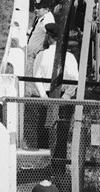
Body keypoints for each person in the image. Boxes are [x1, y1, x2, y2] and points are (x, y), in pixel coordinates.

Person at [32, 23, 78, 169]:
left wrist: (43, 97)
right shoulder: (69, 57)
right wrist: (67, 96)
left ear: (49, 37)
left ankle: (43, 166)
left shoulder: (41, 55)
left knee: (44, 131)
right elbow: (75, 79)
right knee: (62, 133)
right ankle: (59, 167)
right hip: (63, 99)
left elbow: (36, 77)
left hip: (47, 97)